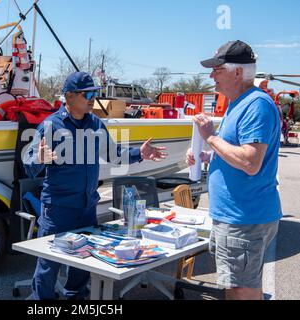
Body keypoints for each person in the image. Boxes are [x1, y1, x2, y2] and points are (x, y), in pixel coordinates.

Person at [23, 71, 168, 300]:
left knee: (83, 263)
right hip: (59, 209)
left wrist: (139, 154)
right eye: (87, 93)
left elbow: (114, 154)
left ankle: (75, 298)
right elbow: (28, 164)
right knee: (49, 266)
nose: (92, 98)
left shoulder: (96, 124)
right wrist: (39, 159)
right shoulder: (50, 126)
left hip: (87, 207)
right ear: (69, 96)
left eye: (95, 93)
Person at [186, 40, 282, 300]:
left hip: (244, 218)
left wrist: (211, 138)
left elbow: (251, 163)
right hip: (237, 216)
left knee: (242, 291)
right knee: (238, 286)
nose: (211, 75)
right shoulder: (239, 103)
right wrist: (207, 155)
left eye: (217, 69)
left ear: (237, 72)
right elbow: (238, 152)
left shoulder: (256, 105)